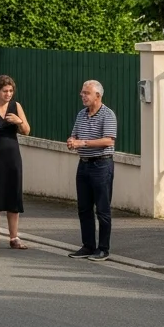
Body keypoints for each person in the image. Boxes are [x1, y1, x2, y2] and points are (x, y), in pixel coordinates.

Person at [66, 79, 117, 261]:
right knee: (84, 208)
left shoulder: (107, 114)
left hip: (101, 164)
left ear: (98, 95)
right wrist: (72, 141)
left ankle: (103, 248)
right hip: (84, 163)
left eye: (86, 93)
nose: (82, 95)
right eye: (82, 92)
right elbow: (75, 134)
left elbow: (109, 140)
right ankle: (88, 245)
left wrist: (83, 142)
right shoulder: (81, 114)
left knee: (102, 208)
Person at [0, 74, 31, 251]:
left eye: (11, 91)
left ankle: (14, 237)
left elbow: (27, 130)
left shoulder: (16, 106)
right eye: (5, 91)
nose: (8, 94)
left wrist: (18, 121)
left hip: (12, 155)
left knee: (13, 195)